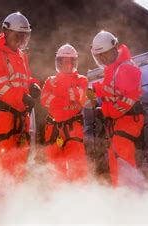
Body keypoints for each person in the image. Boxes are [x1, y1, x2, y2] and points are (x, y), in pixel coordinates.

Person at [0, 12, 41, 180]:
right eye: (17, 36)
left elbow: (24, 78)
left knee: (19, 166)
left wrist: (33, 85)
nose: (20, 41)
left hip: (19, 120)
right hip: (2, 120)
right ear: (5, 32)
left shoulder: (21, 57)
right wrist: (22, 97)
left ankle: (15, 201)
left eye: (24, 37)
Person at [89, 31, 144, 187]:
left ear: (114, 49)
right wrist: (95, 90)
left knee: (123, 162)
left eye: (104, 54)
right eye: (99, 56)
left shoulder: (126, 68)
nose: (102, 59)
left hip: (127, 121)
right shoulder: (114, 68)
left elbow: (123, 102)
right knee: (115, 163)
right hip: (118, 123)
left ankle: (130, 199)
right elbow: (110, 89)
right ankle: (120, 198)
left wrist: (104, 111)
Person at [41, 44, 88, 181]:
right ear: (58, 63)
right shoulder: (50, 81)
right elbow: (44, 100)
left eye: (69, 61)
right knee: (54, 169)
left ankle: (78, 197)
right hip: (53, 130)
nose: (66, 65)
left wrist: (57, 98)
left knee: (77, 167)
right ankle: (57, 199)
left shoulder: (82, 80)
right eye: (63, 62)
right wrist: (68, 97)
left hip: (73, 128)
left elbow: (82, 98)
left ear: (74, 63)